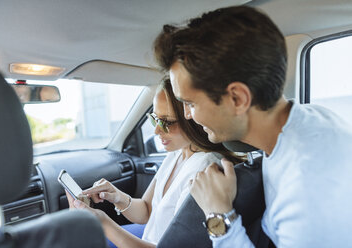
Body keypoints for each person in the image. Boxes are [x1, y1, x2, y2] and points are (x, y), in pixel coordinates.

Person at [153, 5, 352, 248]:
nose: (188, 116)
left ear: (237, 99)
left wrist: (219, 214)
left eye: (190, 103)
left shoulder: (308, 191)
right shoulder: (311, 119)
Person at [66, 79, 243, 248]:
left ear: (192, 119)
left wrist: (102, 222)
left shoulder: (205, 171)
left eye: (167, 122)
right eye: (154, 119)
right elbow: (146, 211)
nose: (157, 130)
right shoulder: (176, 154)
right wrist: (116, 196)